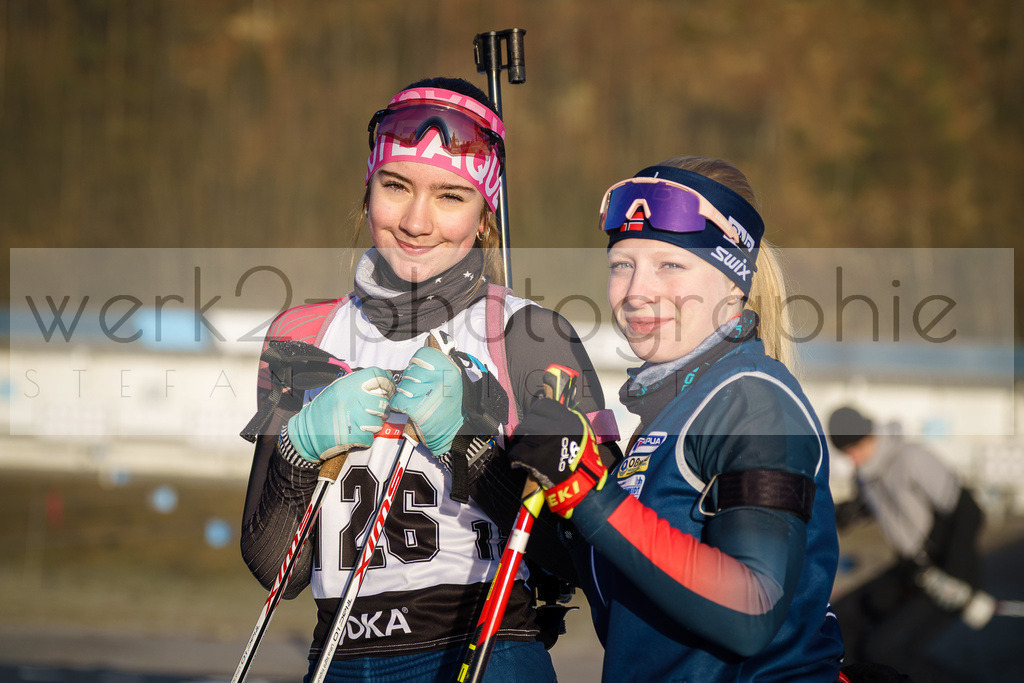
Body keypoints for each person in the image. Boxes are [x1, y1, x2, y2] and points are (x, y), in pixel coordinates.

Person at [238, 76, 616, 682]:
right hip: (338, 656)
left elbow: (586, 555)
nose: (417, 221)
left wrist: (467, 443)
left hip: (486, 650)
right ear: (367, 192)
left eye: (450, 196)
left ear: (485, 215)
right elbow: (275, 570)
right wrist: (296, 451)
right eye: (396, 186)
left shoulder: (530, 336)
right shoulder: (301, 334)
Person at [508, 156, 846, 681]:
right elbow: (641, 617)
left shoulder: (753, 401)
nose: (637, 291)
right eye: (623, 264)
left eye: (670, 264)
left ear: (735, 282)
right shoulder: (673, 410)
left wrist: (589, 494)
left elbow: (751, 610)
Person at [827, 405, 987, 681]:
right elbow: (871, 506)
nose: (853, 458)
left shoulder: (910, 457)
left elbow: (969, 511)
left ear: (868, 434)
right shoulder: (867, 474)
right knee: (840, 622)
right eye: (846, 453)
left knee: (884, 649)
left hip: (950, 570)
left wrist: (955, 575)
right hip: (913, 570)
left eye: (855, 447)